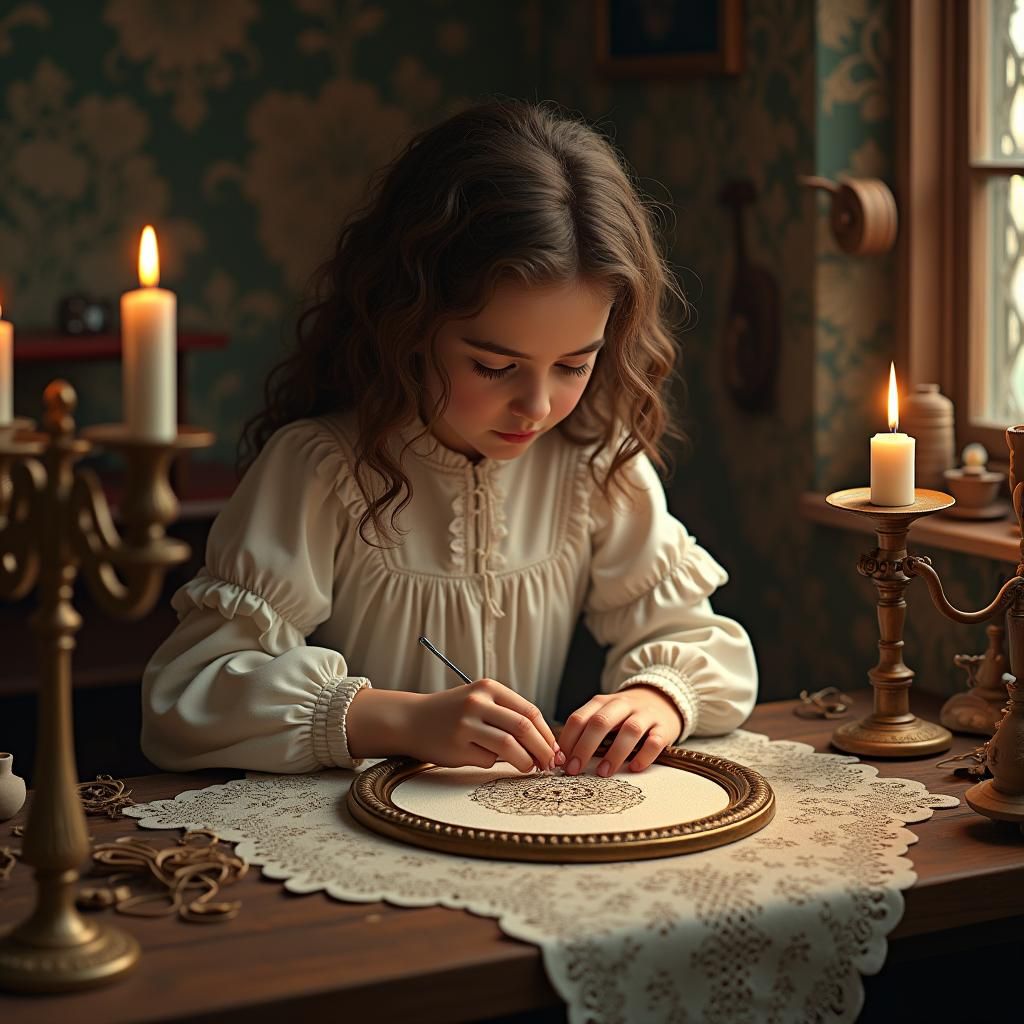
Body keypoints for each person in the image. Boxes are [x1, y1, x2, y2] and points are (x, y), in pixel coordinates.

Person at [141, 99, 758, 781]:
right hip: (356, 841)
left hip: (525, 835)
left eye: (574, 365)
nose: (537, 404)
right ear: (407, 323)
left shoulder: (594, 461)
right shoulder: (322, 469)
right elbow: (183, 699)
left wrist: (655, 698)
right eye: (494, 366)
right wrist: (395, 719)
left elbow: (699, 641)